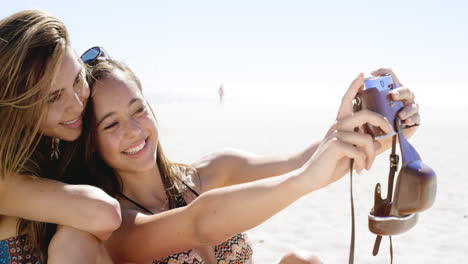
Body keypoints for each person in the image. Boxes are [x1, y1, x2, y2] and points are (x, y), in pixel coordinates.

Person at [78, 47, 420, 264]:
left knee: (302, 262)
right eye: (111, 125)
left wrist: (383, 130)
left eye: (138, 110)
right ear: (91, 141)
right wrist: (304, 180)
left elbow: (304, 163)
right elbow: (198, 225)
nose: (134, 131)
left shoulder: (213, 172)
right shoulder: (112, 223)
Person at [0, 10, 121, 264]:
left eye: (78, 79)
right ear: (13, 107)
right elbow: (103, 213)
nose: (77, 104)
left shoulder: (55, 152)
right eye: (54, 97)